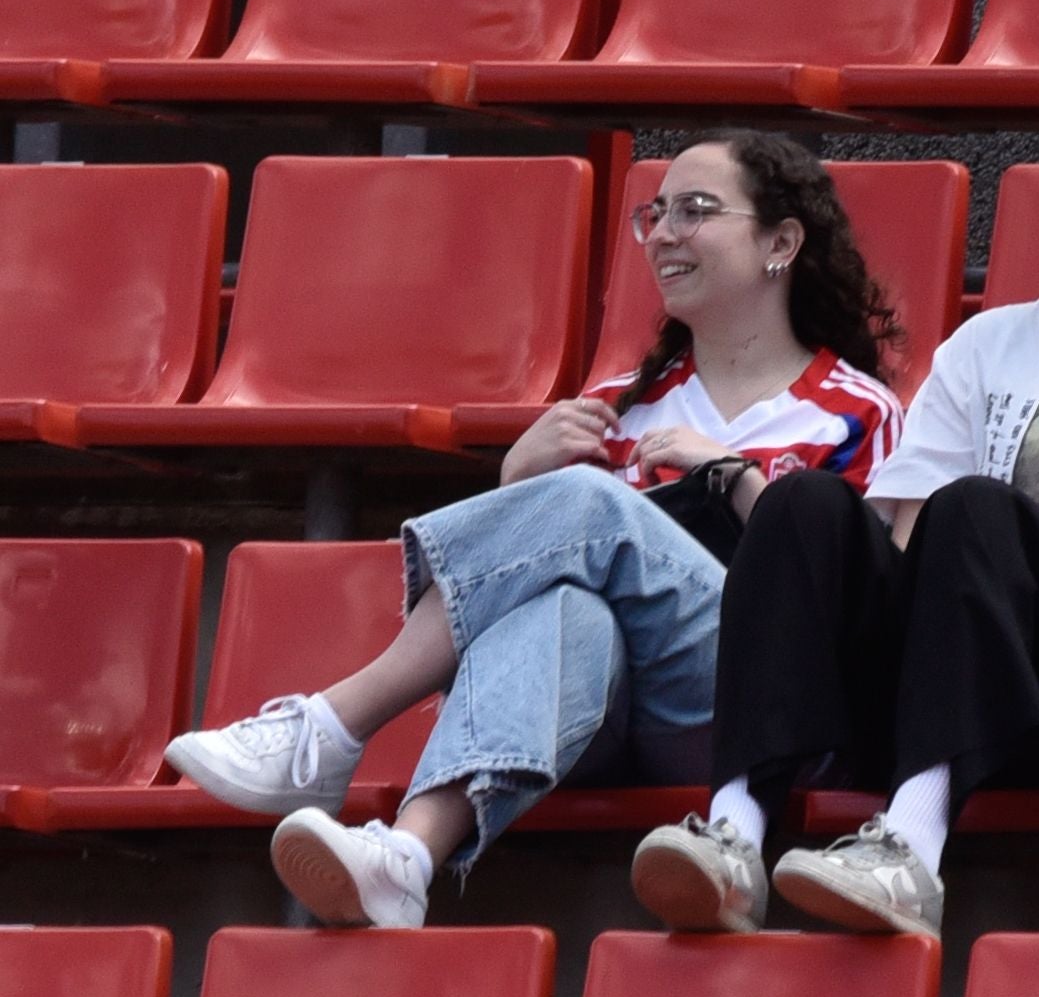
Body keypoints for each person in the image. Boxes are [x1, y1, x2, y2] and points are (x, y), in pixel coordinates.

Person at [630, 20, 1039, 938]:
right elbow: (898, 549)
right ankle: (735, 834)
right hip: (965, 670)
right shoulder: (996, 341)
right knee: (800, 501)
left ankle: (911, 848)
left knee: (983, 511)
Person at [163, 130, 903, 928]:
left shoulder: (859, 410)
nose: (663, 234)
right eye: (654, 215)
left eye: (695, 211)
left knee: (587, 504)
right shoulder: (619, 404)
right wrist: (519, 476)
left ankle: (334, 724)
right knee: (562, 606)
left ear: (780, 242)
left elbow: (861, 607)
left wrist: (731, 475)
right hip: (604, 710)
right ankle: (405, 859)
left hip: (768, 711)